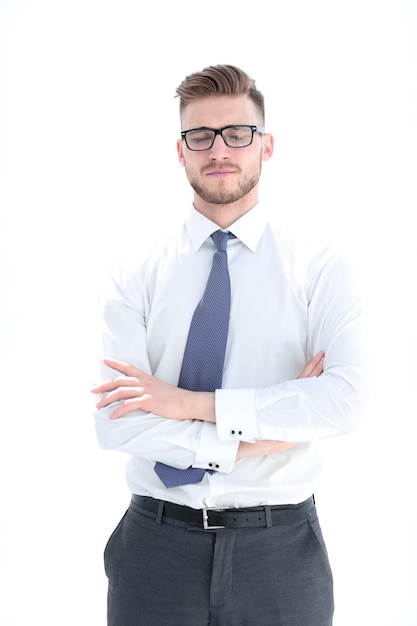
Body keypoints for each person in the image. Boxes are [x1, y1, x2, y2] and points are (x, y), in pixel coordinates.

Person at [91, 64, 366, 626]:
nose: (220, 150)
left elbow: (344, 401)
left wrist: (186, 404)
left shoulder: (320, 268)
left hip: (280, 551)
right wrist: (249, 442)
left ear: (266, 146)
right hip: (155, 546)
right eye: (201, 137)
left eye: (237, 134)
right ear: (181, 150)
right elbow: (116, 423)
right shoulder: (134, 273)